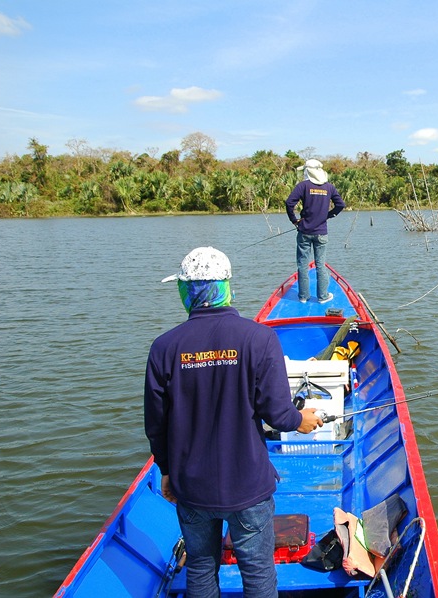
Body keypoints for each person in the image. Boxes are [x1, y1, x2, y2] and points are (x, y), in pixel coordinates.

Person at [144, 246, 323, 597]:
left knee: (199, 567)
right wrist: (301, 419)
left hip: (191, 488)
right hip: (247, 488)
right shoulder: (258, 338)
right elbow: (278, 414)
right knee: (257, 573)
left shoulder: (164, 348)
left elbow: (156, 424)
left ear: (188, 292)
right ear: (226, 286)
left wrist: (166, 471)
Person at [285, 159, 345, 303]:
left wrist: (294, 220)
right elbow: (340, 205)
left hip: (304, 231)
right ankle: (323, 296)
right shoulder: (329, 187)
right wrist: (328, 215)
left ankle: (303, 297)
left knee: (302, 264)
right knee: (320, 264)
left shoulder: (303, 186)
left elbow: (289, 203)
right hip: (321, 233)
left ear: (307, 171)